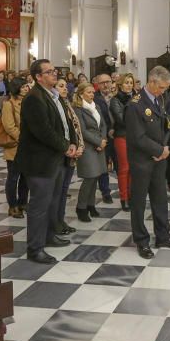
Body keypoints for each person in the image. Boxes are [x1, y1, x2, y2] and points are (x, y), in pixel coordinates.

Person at [15, 60, 81, 264]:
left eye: (55, 71)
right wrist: (65, 146)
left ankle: (49, 235)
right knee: (39, 205)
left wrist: (71, 143)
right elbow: (42, 130)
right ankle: (35, 248)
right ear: (38, 77)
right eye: (50, 72)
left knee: (53, 200)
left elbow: (64, 123)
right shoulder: (34, 98)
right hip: (40, 161)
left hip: (56, 158)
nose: (55, 74)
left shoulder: (54, 95)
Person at [125, 65, 170, 259]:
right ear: (151, 82)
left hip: (160, 160)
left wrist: (163, 149)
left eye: (166, 88)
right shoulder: (135, 105)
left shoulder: (159, 99)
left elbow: (166, 126)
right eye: (161, 87)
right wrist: (159, 150)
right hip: (142, 161)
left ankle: (163, 235)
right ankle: (141, 241)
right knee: (139, 202)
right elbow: (137, 137)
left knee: (161, 199)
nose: (163, 91)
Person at [73, 81, 108, 221]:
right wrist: (98, 142)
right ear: (81, 94)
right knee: (89, 177)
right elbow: (82, 130)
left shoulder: (96, 106)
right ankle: (81, 208)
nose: (92, 94)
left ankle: (91, 205)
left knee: (96, 176)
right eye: (88, 92)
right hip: (87, 147)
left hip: (100, 145)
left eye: (93, 92)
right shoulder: (78, 109)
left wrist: (103, 140)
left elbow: (104, 125)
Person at [54, 78, 84, 235]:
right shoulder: (55, 105)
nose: (65, 89)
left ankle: (61, 220)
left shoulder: (67, 105)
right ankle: (55, 223)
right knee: (57, 190)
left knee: (64, 188)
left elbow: (74, 128)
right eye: (61, 86)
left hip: (71, 152)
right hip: (61, 152)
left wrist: (78, 146)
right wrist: (69, 147)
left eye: (66, 86)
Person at [1, 77, 30, 218]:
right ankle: (12, 206)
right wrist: (24, 139)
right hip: (15, 147)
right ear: (16, 88)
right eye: (23, 86)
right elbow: (9, 127)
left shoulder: (28, 102)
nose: (26, 88)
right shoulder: (9, 104)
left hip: (28, 147)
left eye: (26, 86)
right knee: (13, 178)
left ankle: (23, 202)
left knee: (26, 177)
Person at [110, 73, 135, 211]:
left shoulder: (137, 98)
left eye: (131, 82)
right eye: (126, 82)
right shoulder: (115, 100)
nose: (129, 85)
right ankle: (124, 197)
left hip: (135, 138)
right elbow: (121, 119)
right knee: (124, 168)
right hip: (122, 136)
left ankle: (131, 195)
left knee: (132, 169)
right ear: (120, 85)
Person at [93, 74, 115, 205]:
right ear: (98, 84)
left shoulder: (117, 97)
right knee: (103, 165)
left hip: (118, 135)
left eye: (108, 82)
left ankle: (127, 193)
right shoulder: (94, 98)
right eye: (102, 83)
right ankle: (105, 192)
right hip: (103, 136)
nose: (106, 85)